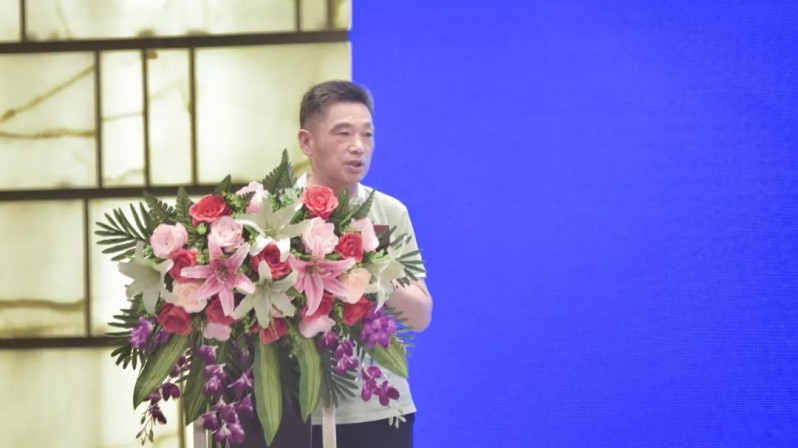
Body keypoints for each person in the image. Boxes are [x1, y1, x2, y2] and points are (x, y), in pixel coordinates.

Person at [297, 80, 433, 448]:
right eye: (343, 133)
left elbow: (420, 316)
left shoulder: (389, 212)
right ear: (307, 142)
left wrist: (372, 269)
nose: (358, 146)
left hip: (379, 408)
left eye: (367, 135)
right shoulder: (274, 213)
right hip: (296, 413)